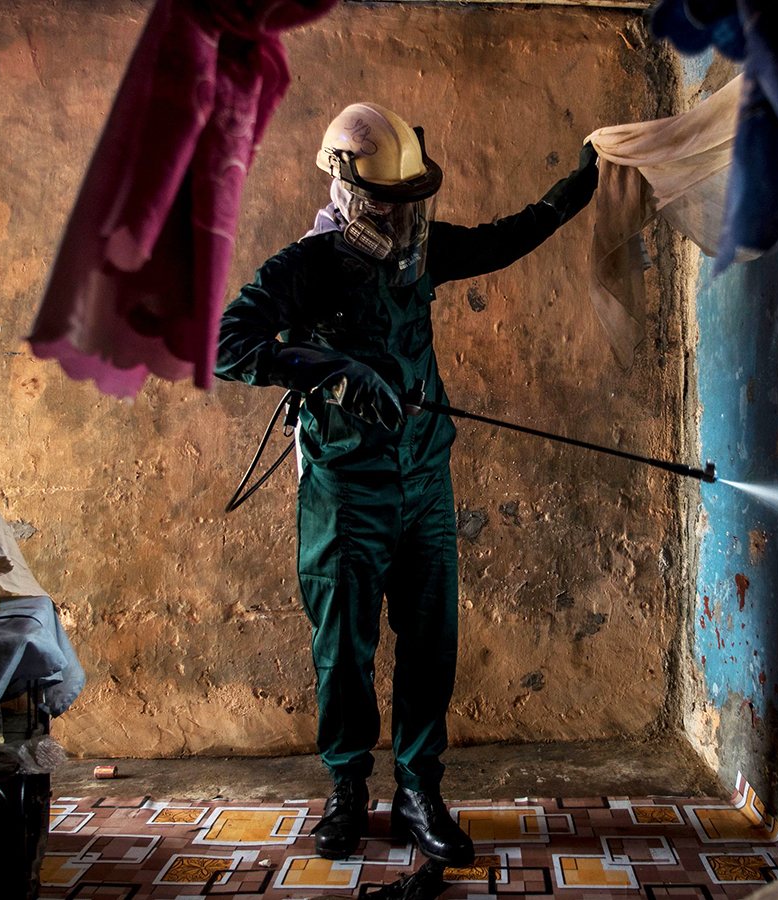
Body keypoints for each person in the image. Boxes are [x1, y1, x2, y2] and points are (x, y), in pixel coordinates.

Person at [215, 102, 599, 865]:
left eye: (409, 203)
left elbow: (499, 242)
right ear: (349, 191)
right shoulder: (307, 267)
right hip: (344, 496)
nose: (399, 219)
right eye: (386, 205)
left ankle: (420, 789)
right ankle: (348, 790)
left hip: (425, 484)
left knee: (430, 647)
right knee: (343, 652)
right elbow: (228, 344)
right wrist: (327, 370)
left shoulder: (418, 254)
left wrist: (570, 194)